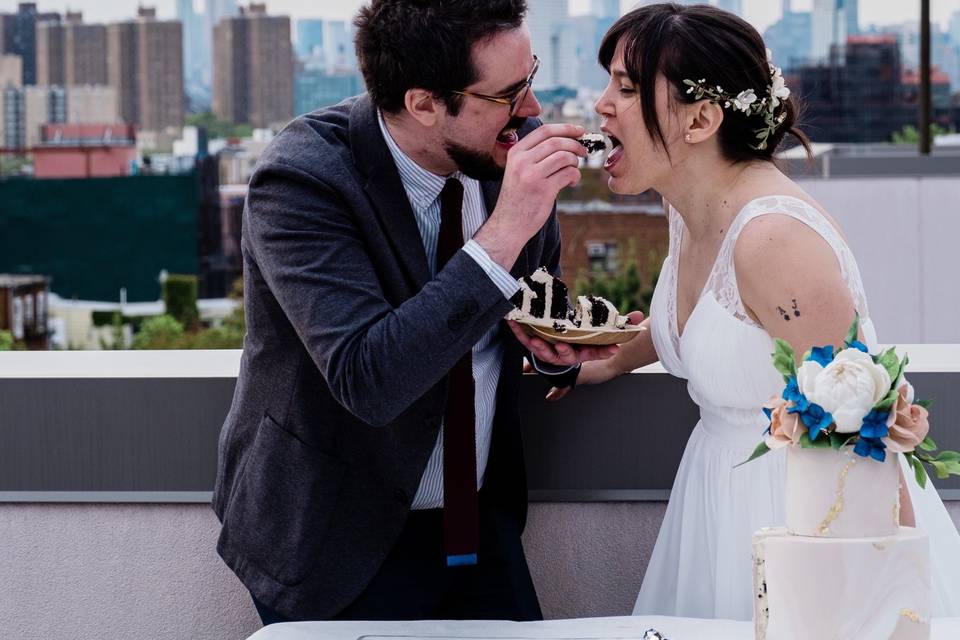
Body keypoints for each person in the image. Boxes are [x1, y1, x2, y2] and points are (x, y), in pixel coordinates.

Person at [511, 2, 960, 621]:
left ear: (700, 119)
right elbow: (709, 324)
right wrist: (605, 363)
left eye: (627, 87)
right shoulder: (689, 208)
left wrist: (888, 606)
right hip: (713, 503)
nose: (601, 106)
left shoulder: (773, 240)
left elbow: (862, 425)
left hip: (796, 523)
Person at [211, 0, 618, 625]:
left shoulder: (509, 148)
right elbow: (368, 379)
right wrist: (506, 226)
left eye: (530, 78)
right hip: (335, 535)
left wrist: (552, 352)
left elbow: (532, 303)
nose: (534, 111)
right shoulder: (302, 180)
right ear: (425, 102)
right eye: (509, 93)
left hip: (481, 523)